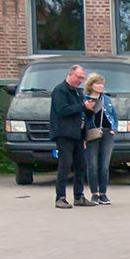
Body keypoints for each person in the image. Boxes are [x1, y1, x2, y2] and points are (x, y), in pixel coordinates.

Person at [49, 63, 95, 209]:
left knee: (81, 165)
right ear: (70, 74)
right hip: (64, 134)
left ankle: (79, 196)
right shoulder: (60, 90)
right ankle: (60, 197)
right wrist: (83, 106)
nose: (80, 81)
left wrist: (90, 109)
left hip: (78, 135)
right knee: (65, 164)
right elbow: (63, 110)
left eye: (82, 78)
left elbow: (81, 112)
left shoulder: (78, 92)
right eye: (78, 77)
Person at [81, 72, 116, 205]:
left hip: (106, 133)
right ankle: (94, 193)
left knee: (104, 165)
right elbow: (82, 118)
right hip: (91, 133)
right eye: (97, 84)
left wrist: (113, 129)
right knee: (92, 165)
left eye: (102, 84)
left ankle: (103, 193)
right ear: (91, 85)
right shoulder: (84, 99)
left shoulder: (106, 99)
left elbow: (114, 115)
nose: (100, 86)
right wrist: (83, 136)